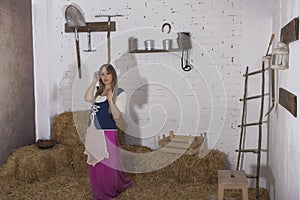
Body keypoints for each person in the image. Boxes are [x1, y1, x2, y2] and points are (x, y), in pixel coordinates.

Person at [84, 64, 132, 200]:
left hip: (107, 131)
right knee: (96, 165)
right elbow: (87, 98)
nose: (105, 77)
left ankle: (109, 192)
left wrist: (111, 100)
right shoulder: (98, 90)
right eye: (102, 74)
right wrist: (94, 82)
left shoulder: (120, 92)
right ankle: (99, 192)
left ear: (113, 75)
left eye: (108, 73)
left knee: (108, 164)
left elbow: (116, 116)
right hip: (93, 131)